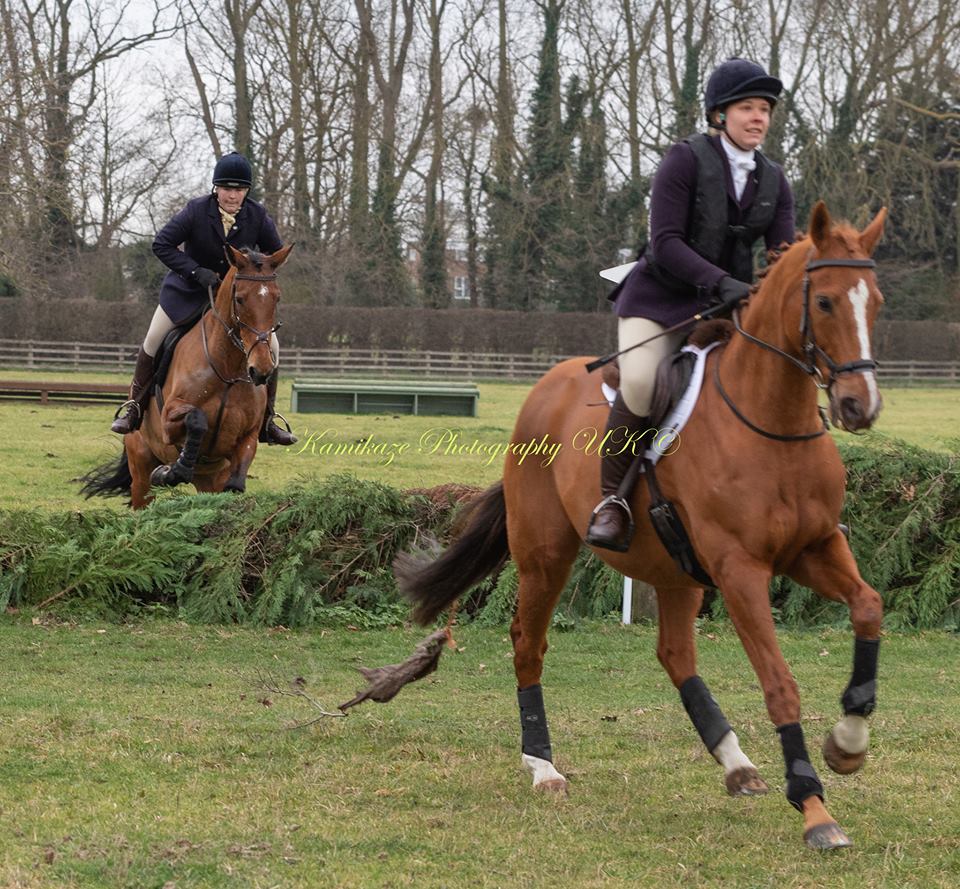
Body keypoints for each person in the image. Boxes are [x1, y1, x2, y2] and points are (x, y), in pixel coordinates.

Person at [586, 58, 795, 552]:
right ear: (720, 114)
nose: (758, 117)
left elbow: (781, 254)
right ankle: (610, 500)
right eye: (747, 107)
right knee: (639, 382)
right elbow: (666, 241)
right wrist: (720, 280)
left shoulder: (775, 180)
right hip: (660, 299)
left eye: (764, 109)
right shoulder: (683, 161)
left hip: (729, 307)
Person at [111, 151, 297, 445]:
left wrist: (252, 269)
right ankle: (134, 407)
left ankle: (268, 419)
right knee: (153, 339)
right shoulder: (196, 211)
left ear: (246, 191)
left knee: (272, 347)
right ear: (216, 188)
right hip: (188, 293)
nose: (232, 195)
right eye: (226, 189)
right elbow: (162, 244)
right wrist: (196, 272)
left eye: (238, 190)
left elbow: (272, 257)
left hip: (237, 302)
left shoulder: (257, 215)